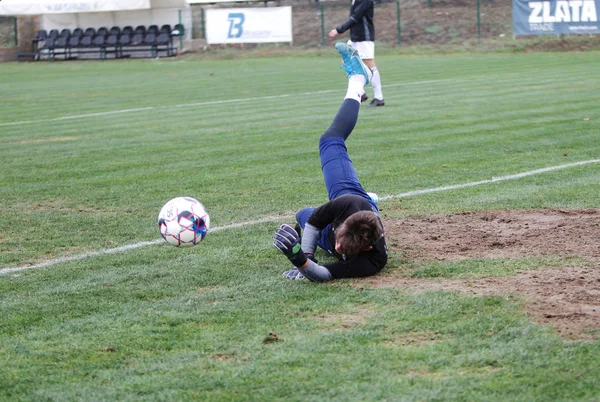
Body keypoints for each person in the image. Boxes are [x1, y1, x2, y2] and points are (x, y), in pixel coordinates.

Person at [273, 42, 388, 282]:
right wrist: (306, 255)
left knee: (301, 215)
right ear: (344, 225)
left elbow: (325, 274)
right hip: (353, 200)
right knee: (330, 140)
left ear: (365, 248)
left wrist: (299, 260)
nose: (337, 249)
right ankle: (358, 79)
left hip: (338, 222)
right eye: (340, 242)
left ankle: (357, 79)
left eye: (343, 248)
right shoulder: (349, 204)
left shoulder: (373, 260)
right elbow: (316, 222)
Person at [328, 0, 385, 107]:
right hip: (355, 37)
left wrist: (338, 30)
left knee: (370, 64)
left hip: (364, 37)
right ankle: (361, 93)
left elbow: (355, 17)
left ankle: (379, 98)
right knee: (346, 61)